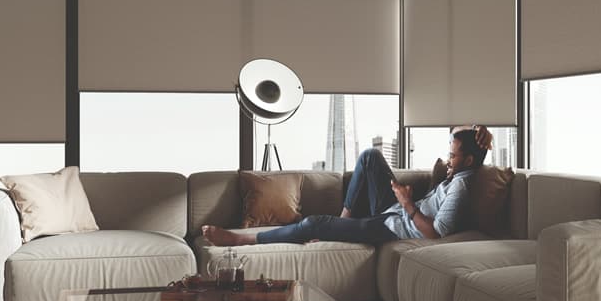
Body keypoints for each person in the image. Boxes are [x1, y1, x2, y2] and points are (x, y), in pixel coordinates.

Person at [201, 125, 493, 246]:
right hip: (393, 211)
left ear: (468, 159)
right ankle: (343, 225)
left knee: (314, 223)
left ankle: (243, 240)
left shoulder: (462, 188)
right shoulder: (461, 171)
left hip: (391, 228)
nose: (449, 159)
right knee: (370, 157)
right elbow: (469, 140)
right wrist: (481, 130)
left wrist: (408, 204)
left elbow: (437, 232)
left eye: (453, 155)